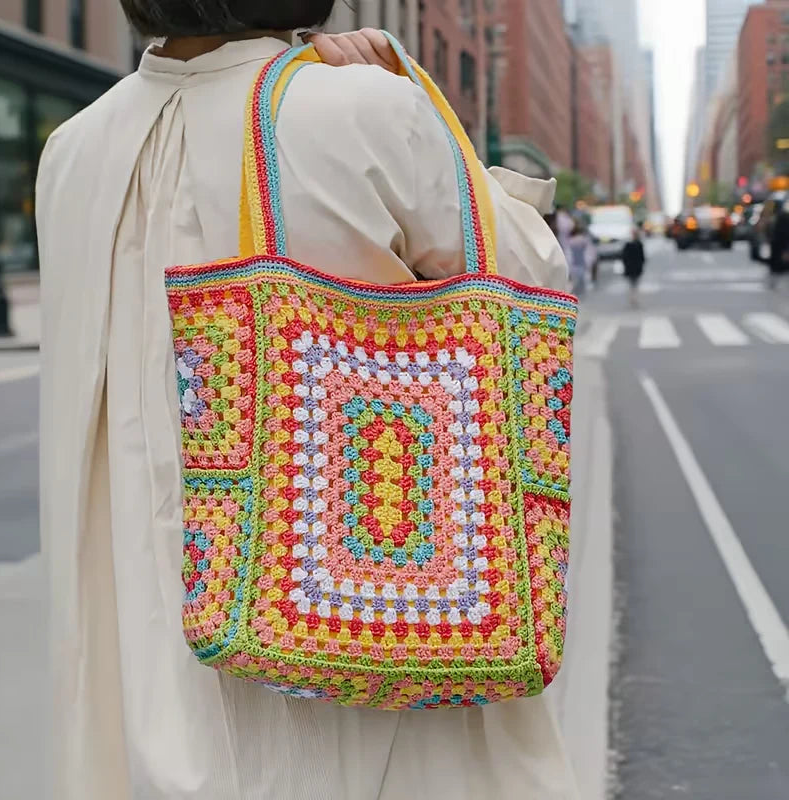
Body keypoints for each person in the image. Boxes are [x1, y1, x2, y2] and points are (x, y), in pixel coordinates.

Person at [36, 4, 577, 799]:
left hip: (134, 650)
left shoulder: (73, 147)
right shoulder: (360, 104)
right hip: (354, 633)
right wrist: (414, 101)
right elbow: (526, 275)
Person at [621, 227, 646, 307]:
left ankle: (633, 297)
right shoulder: (633, 244)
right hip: (632, 267)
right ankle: (633, 297)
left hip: (634, 267)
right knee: (633, 283)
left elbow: (642, 257)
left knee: (633, 284)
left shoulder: (637, 244)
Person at [568, 223, 593, 296]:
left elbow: (568, 253)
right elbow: (589, 252)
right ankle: (580, 295)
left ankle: (576, 295)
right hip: (581, 263)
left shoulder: (570, 240)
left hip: (574, 263)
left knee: (575, 282)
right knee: (581, 281)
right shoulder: (583, 239)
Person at [768, 203, 789, 290]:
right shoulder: (782, 217)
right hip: (779, 246)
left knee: (777, 267)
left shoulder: (780, 218)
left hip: (778, 245)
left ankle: (774, 283)